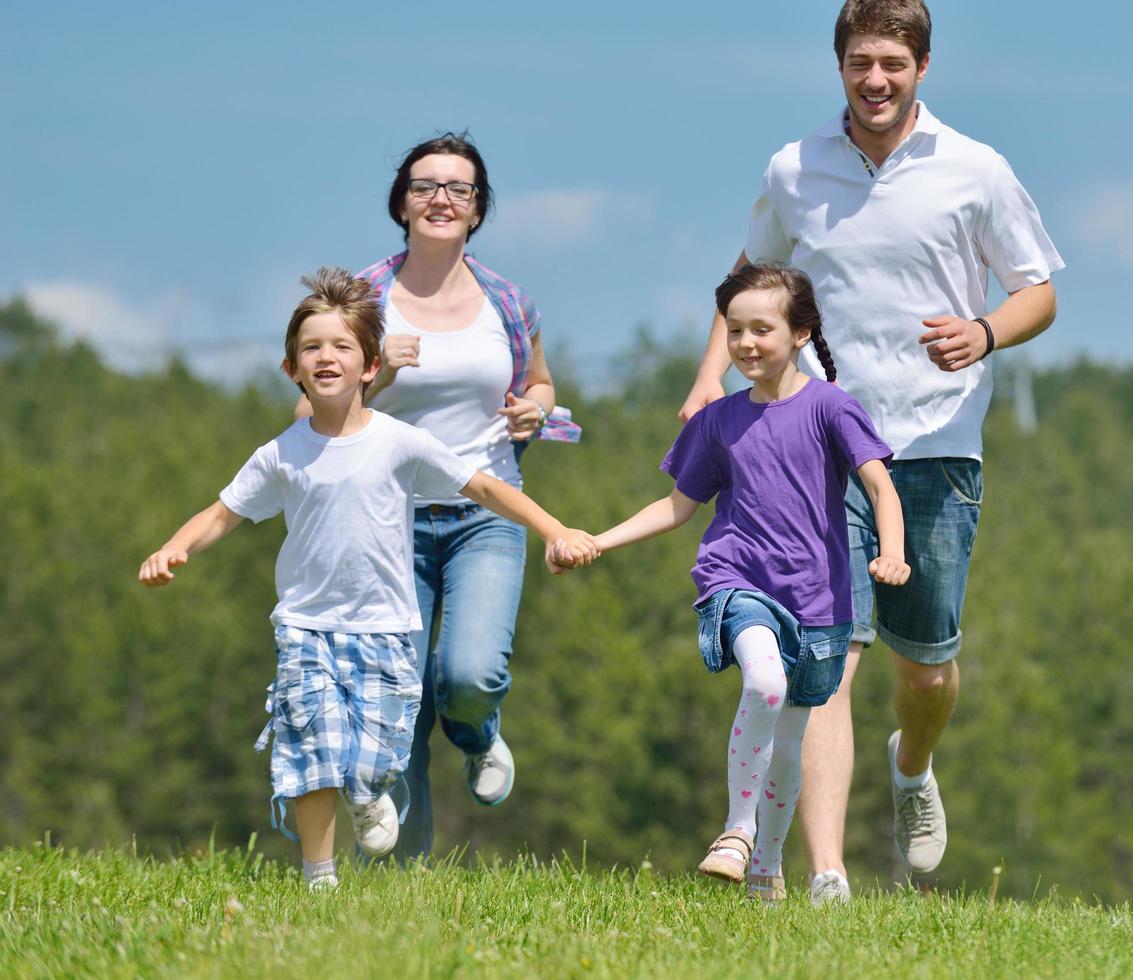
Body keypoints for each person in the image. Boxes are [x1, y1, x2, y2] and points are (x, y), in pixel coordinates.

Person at [678, 0, 1064, 905]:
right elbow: (746, 285)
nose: (875, 79)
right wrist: (707, 384)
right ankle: (826, 875)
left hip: (936, 444)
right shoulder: (795, 167)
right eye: (859, 62)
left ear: (922, 67)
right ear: (839, 66)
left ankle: (912, 762)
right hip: (817, 445)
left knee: (923, 666)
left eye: (892, 62)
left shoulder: (976, 170)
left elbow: (1038, 290)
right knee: (826, 658)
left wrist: (984, 331)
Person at [143, 269, 598, 890]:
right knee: (310, 749)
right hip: (307, 625)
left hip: (386, 629)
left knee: (379, 756)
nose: (325, 357)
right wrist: (174, 546)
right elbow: (223, 513)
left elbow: (486, 486)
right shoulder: (281, 453)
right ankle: (319, 876)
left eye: (341, 346)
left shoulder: (400, 442)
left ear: (371, 366)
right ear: (292, 370)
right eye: (311, 348)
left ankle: (368, 790)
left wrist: (555, 530)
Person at [566, 262, 908, 903]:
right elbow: (676, 506)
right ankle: (736, 831)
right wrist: (598, 540)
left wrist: (891, 554)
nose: (746, 344)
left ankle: (765, 866)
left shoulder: (832, 407)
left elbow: (880, 487)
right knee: (764, 681)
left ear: (802, 332)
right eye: (735, 331)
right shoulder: (717, 420)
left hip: (819, 598)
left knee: (788, 746)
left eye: (763, 329)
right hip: (738, 577)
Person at [297, 132, 580, 859]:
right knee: (399, 700)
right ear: (401, 202)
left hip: (486, 510)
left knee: (466, 675)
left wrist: (537, 410)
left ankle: (478, 733)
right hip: (384, 524)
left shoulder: (508, 301)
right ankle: (405, 878)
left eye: (459, 189)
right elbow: (308, 416)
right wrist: (377, 373)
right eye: (426, 186)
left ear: (479, 210)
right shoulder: (362, 300)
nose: (442, 200)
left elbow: (541, 383)